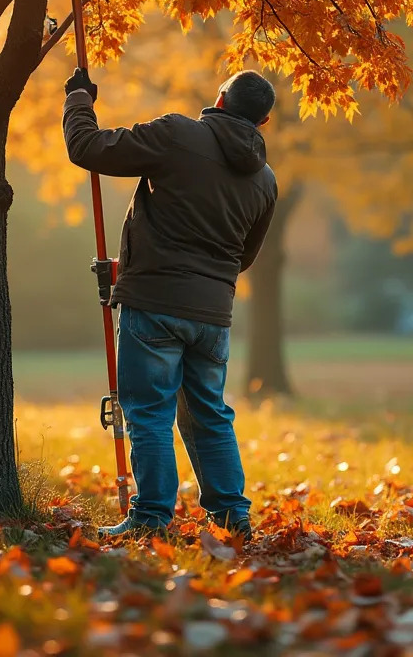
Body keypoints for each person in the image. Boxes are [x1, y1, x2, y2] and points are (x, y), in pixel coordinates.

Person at [62, 66, 277, 540]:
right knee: (210, 414)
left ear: (220, 100)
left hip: (154, 305)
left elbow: (88, 148)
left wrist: (78, 99)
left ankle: (151, 519)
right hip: (212, 316)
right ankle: (231, 518)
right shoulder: (265, 181)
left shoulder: (178, 135)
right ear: (262, 123)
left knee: (149, 412)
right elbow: (240, 258)